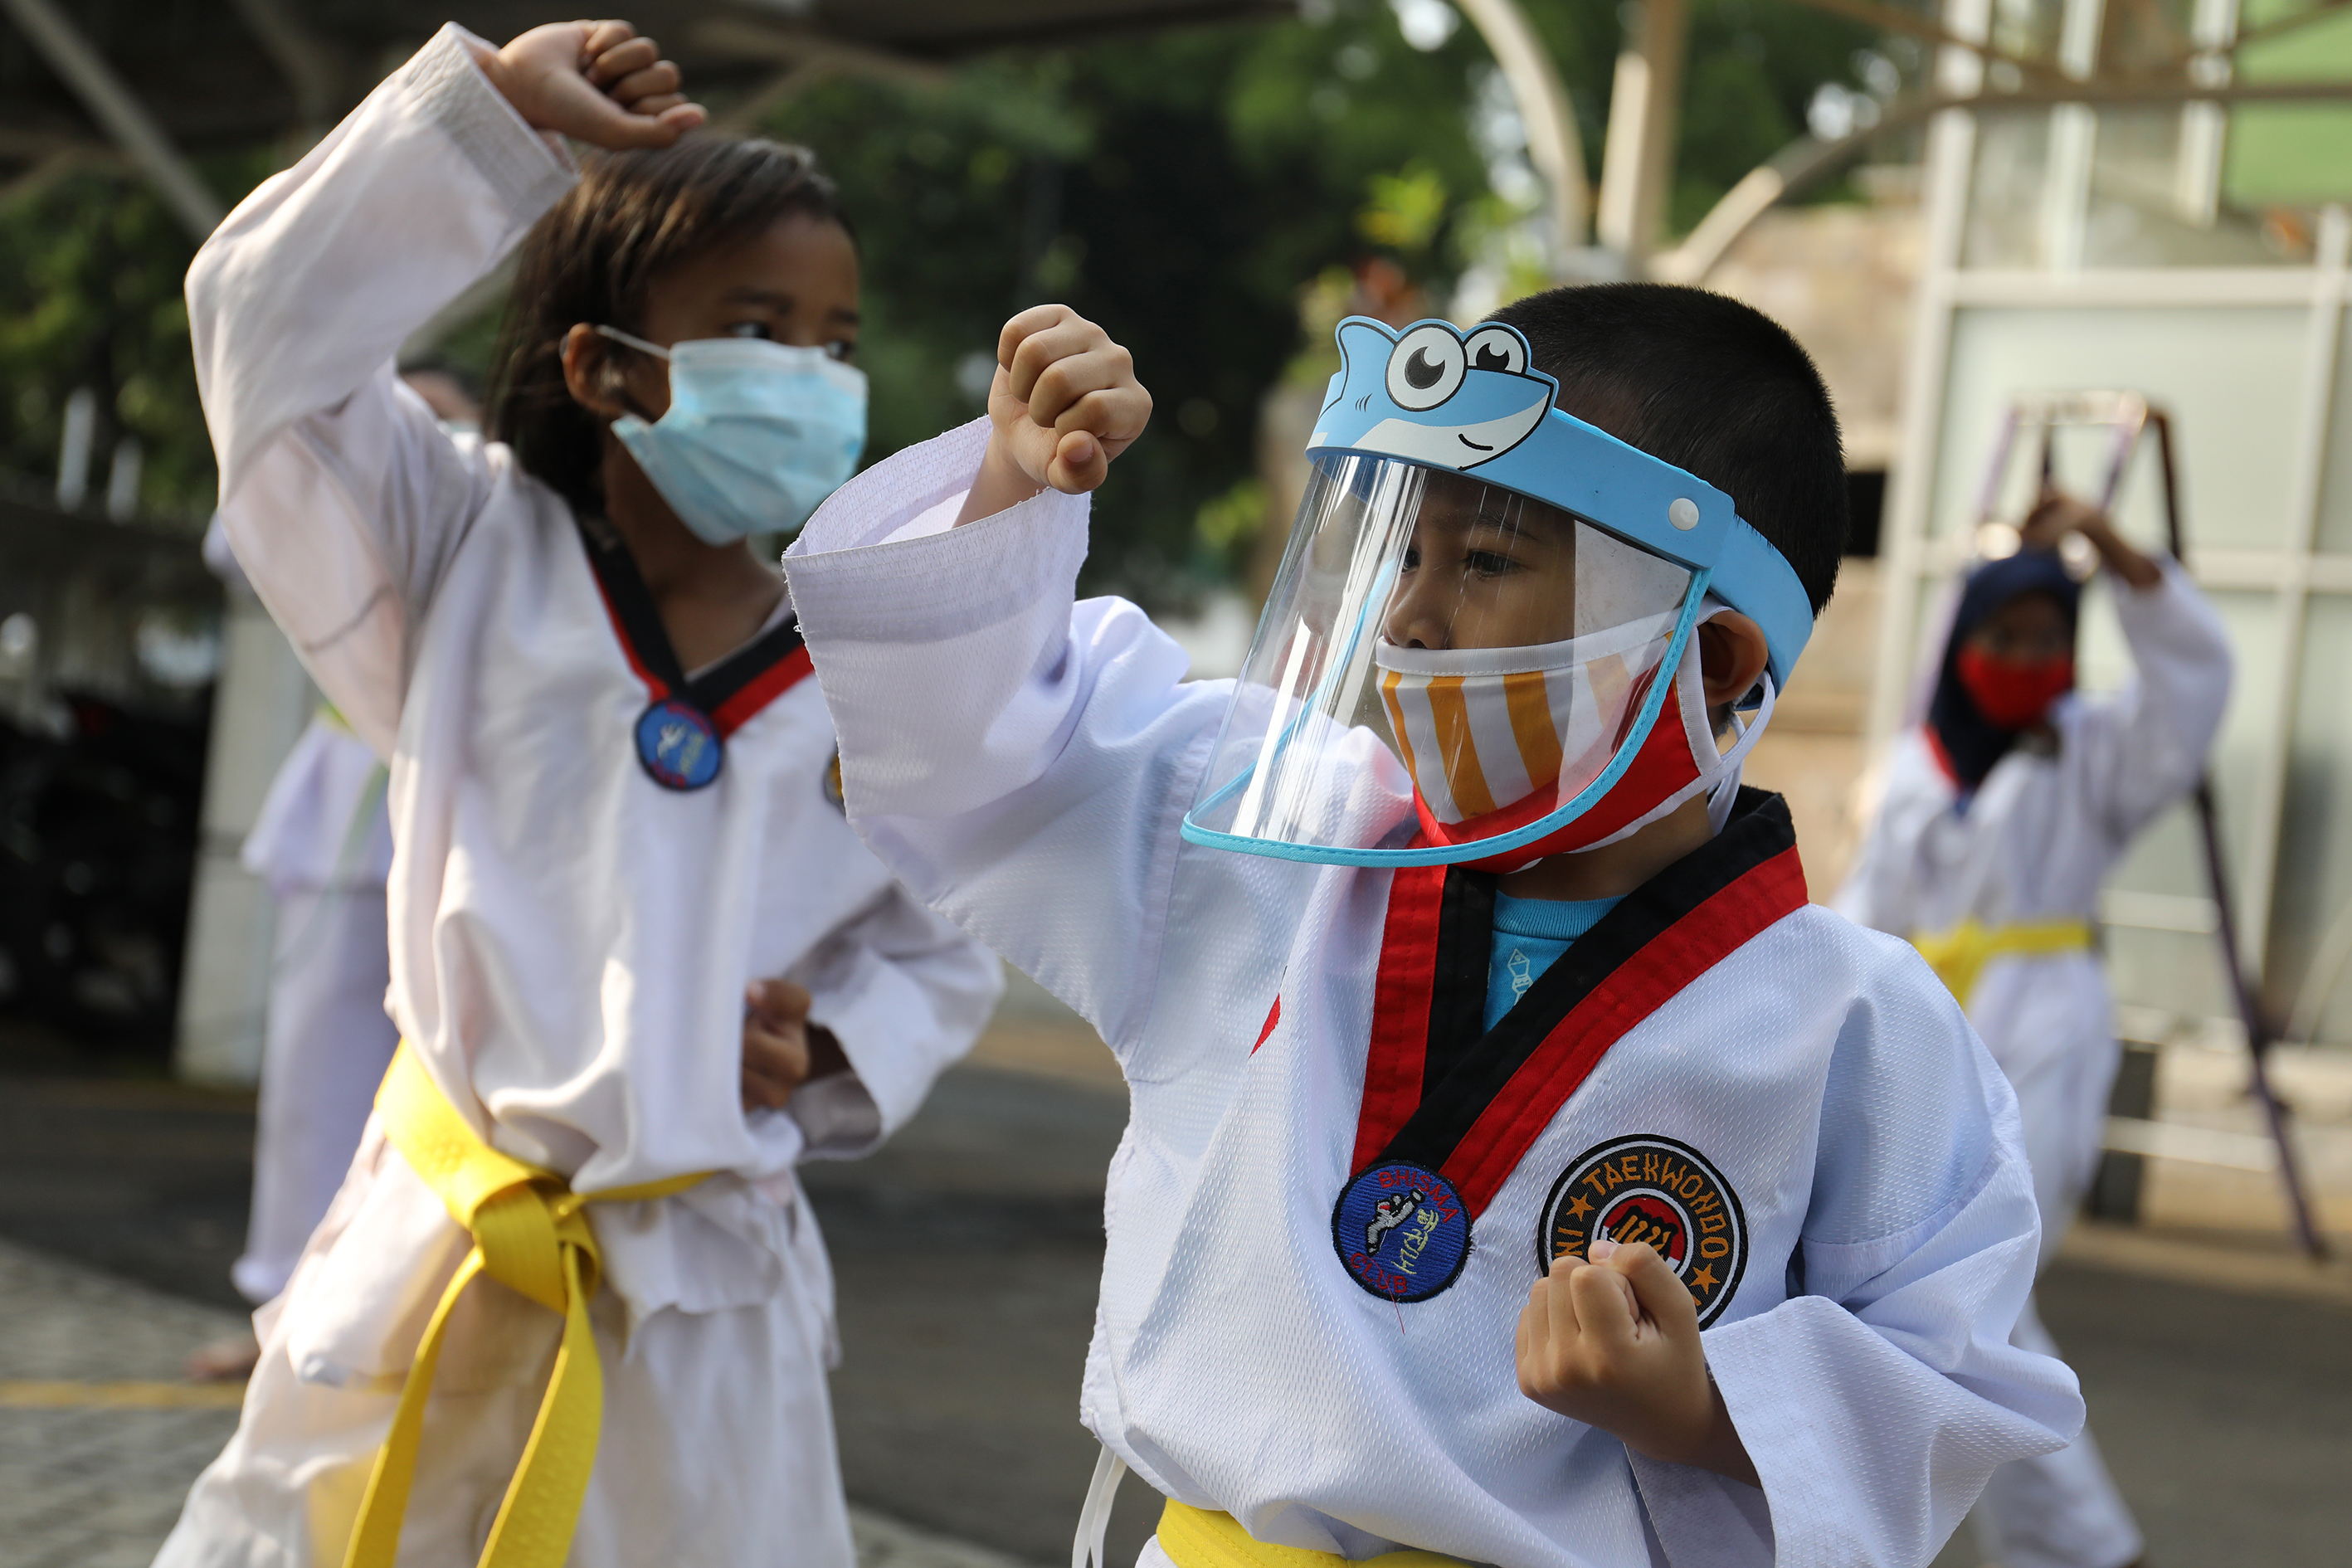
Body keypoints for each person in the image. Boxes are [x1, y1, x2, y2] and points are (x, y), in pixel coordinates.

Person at [779, 286, 2085, 1566]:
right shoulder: (1257, 840)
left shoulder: (1855, 1021)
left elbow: (1957, 1368)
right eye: (1407, 550)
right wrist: (1017, 483)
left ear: (1717, 659)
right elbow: (979, 748)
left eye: (1487, 560)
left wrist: (1707, 1408)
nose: (1404, 615)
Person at [160, 21, 1001, 1568]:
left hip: (704, 1309)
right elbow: (258, 326)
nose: (813, 378)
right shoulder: (459, 552)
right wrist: (482, 129)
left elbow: (950, 933)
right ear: (607, 365)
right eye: (761, 327)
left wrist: (835, 1041)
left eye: (838, 342)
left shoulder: (870, 668)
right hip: (434, 1259)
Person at [1835, 494, 2230, 1568]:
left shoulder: (2094, 752)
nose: (2021, 656)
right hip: (1928, 1036)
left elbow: (2194, 678)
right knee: (1951, 1297)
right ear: (1961, 641)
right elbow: (1862, 919)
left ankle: (2076, 1545)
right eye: (2001, 634)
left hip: (2045, 1028)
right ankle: (2060, 1546)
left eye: (2045, 638)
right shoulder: (1913, 766)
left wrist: (2110, 547)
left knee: (1978, 1291)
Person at [186, 366, 479, 1385]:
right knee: (314, 1084)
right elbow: (235, 544)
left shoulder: (496, 516)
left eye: (440, 422)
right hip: (347, 812)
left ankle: (415, 1323)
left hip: (467, 820)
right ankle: (281, 1311)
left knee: (459, 1096)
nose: (413, 436)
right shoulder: (331, 514)